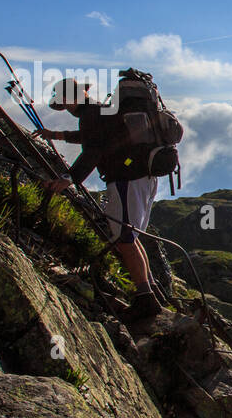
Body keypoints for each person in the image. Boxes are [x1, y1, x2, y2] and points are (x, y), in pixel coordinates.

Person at [39, 78, 161, 321]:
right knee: (130, 236)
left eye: (64, 102)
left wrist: (69, 179)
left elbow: (93, 150)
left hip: (126, 178)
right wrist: (56, 134)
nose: (65, 107)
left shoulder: (91, 114)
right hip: (142, 176)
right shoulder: (100, 111)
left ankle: (146, 299)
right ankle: (150, 292)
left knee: (125, 238)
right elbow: (94, 138)